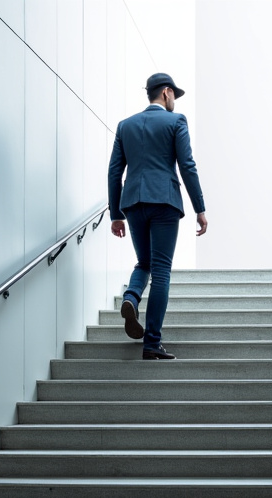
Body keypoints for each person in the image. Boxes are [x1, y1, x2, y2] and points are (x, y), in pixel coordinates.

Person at [108, 73, 208, 360]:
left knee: (144, 262)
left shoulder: (125, 125)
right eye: (174, 93)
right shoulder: (176, 122)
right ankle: (151, 342)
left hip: (133, 202)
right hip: (164, 201)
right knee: (161, 269)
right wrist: (200, 208)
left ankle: (131, 297)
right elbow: (187, 165)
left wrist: (116, 214)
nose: (175, 99)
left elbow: (114, 172)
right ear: (166, 92)